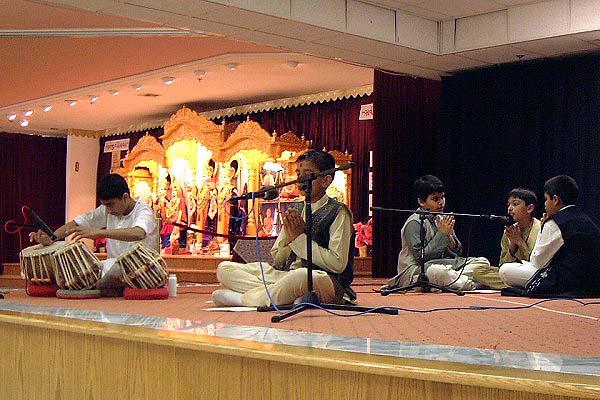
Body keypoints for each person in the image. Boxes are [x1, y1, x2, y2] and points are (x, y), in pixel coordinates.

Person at [212, 149, 354, 307]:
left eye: (307, 174)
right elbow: (277, 259)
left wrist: (299, 239)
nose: (300, 180)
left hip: (326, 280)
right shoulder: (296, 209)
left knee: (300, 277)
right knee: (224, 269)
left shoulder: (338, 212)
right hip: (286, 274)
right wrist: (289, 240)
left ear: (325, 181)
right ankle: (285, 296)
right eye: (298, 174)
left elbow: (337, 264)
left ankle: (243, 300)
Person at [30, 173, 159, 290]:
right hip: (113, 267)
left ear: (125, 197)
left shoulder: (143, 211)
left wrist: (99, 232)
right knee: (81, 271)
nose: (108, 210)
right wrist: (51, 238)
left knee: (111, 272)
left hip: (143, 268)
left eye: (110, 204)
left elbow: (138, 233)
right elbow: (75, 224)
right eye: (105, 205)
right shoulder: (107, 210)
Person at [384, 175, 489, 292]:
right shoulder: (414, 223)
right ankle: (473, 284)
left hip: (444, 264)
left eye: (442, 197)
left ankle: (454, 280)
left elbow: (457, 253)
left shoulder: (441, 218)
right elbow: (422, 258)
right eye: (435, 199)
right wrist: (442, 234)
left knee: (482, 262)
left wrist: (450, 238)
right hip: (416, 271)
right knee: (439, 272)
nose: (441, 203)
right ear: (421, 202)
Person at [500, 175, 600, 295]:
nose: (545, 204)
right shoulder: (585, 219)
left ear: (555, 199)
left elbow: (538, 262)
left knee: (505, 271)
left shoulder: (555, 222)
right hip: (593, 280)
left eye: (546, 199)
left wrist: (542, 229)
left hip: (568, 280)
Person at [472, 188, 541, 289]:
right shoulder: (509, 231)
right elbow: (503, 265)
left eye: (515, 204)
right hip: (510, 273)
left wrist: (520, 242)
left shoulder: (539, 229)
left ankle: (513, 285)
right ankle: (516, 286)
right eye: (508, 204)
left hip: (531, 273)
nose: (510, 208)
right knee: (478, 271)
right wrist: (512, 245)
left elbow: (536, 264)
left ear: (529, 208)